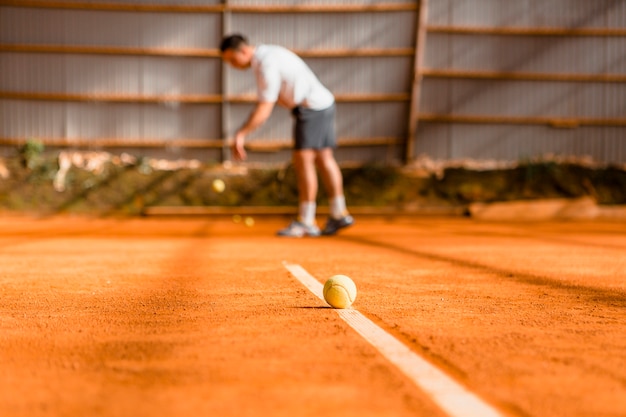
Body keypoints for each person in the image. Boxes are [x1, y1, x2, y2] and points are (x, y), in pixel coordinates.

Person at [220, 34, 354, 237]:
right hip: (323, 103)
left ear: (244, 51)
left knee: (303, 160)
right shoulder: (268, 55)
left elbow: (265, 106)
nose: (232, 65)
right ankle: (339, 213)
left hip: (311, 109)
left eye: (232, 60)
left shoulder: (266, 63)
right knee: (324, 158)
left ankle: (306, 221)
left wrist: (241, 134)